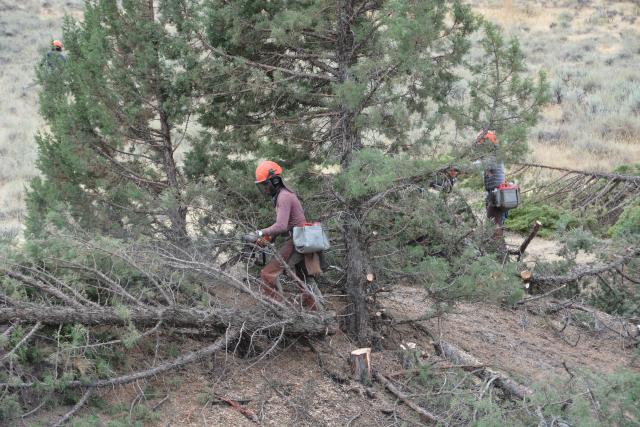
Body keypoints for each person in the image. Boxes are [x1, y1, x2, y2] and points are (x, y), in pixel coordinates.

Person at [251, 160, 317, 310]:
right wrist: (268, 238)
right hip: (302, 237)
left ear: (274, 181)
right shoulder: (285, 194)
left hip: (298, 239)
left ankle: (277, 311)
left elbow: (281, 226)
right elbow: (286, 225)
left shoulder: (283, 197)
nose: (265, 189)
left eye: (265, 184)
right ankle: (316, 313)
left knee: (267, 274)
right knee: (301, 280)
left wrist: (259, 233)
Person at [476, 130, 508, 238]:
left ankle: (497, 250)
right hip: (494, 194)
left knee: (495, 226)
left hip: (496, 195)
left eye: (481, 145)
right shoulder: (492, 156)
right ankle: (495, 248)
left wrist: (458, 167)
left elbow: (476, 166)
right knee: (494, 224)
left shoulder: (492, 158)